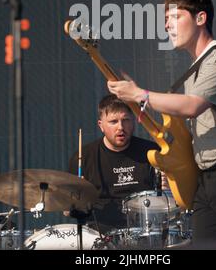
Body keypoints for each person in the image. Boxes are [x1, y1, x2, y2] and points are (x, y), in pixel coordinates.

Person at [108, 0, 216, 246]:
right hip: (208, 180)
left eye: (175, 17)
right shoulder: (193, 72)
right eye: (165, 20)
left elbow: (192, 106)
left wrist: (141, 94)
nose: (168, 25)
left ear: (200, 18)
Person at [69, 94, 164, 234]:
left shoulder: (152, 152)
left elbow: (169, 200)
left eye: (125, 120)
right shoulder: (83, 157)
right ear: (101, 125)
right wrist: (77, 199)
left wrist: (167, 189)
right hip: (99, 235)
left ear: (133, 121)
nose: (120, 127)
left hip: (146, 231)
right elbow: (67, 208)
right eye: (113, 121)